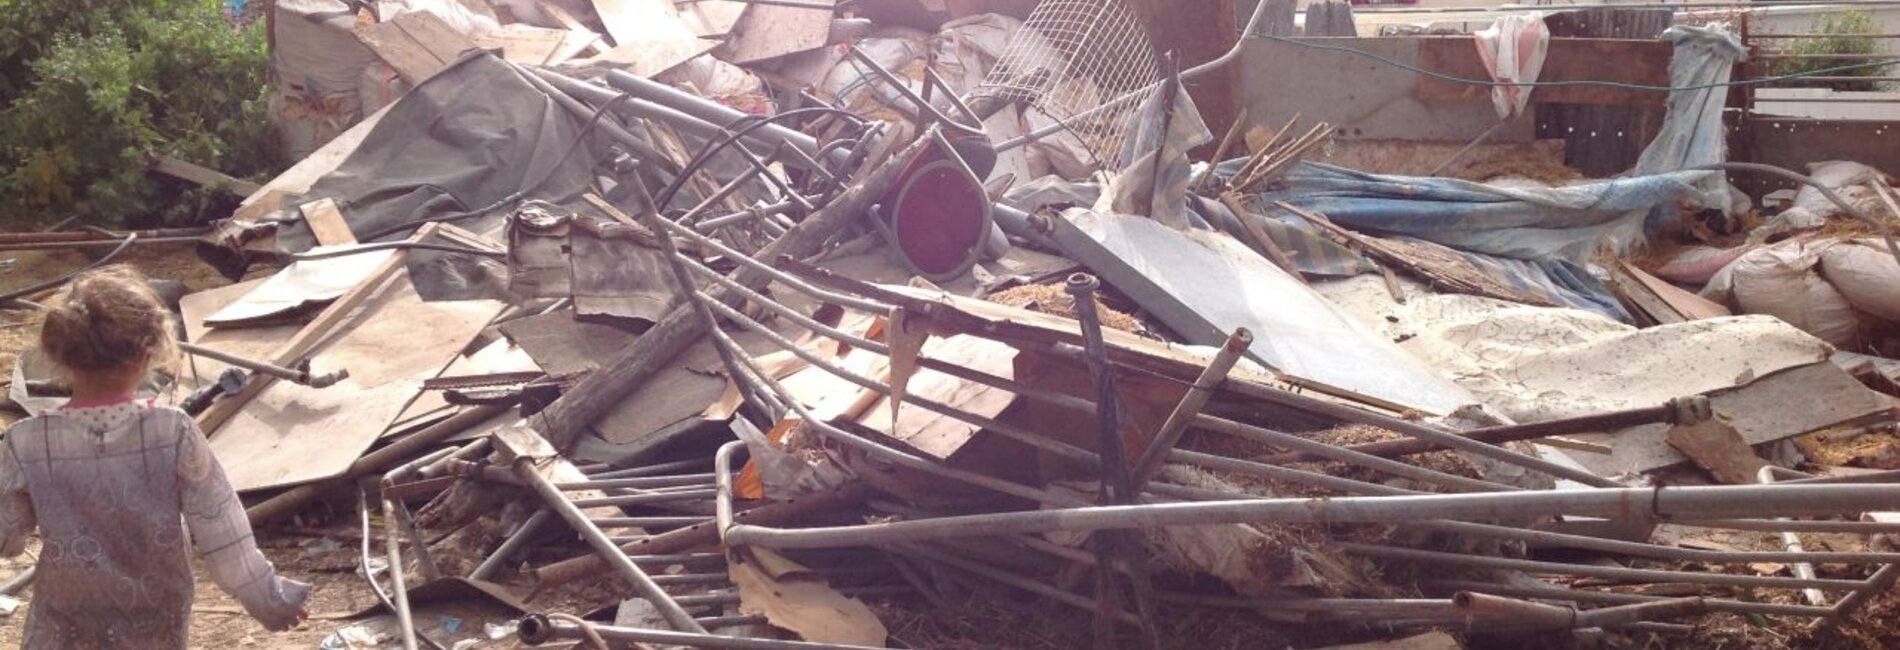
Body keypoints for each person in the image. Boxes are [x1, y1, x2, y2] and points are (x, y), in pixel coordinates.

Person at [0, 266, 310, 648]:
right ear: (147, 353)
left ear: (59, 354)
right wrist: (269, 600)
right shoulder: (171, 431)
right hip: (156, 619)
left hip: (66, 621)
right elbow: (222, 528)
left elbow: (5, 537)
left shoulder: (26, 441)